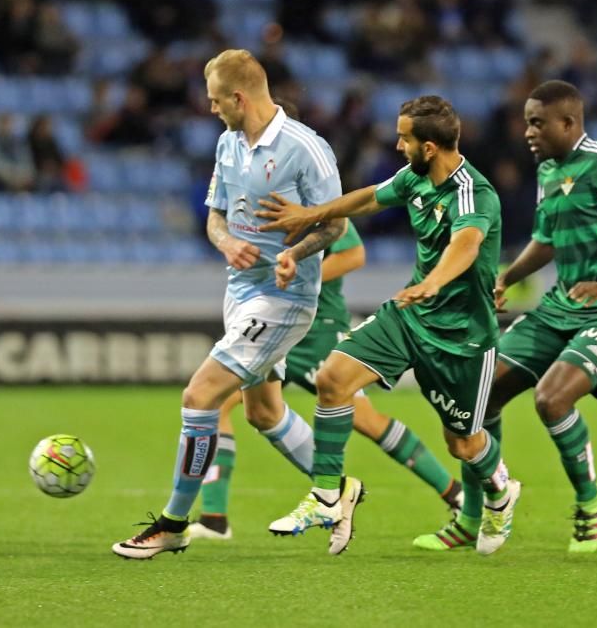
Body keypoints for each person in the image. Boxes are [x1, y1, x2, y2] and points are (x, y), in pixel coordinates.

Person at [257, 96, 521, 556]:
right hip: (410, 315)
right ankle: (325, 495)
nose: (398, 145)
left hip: (462, 338)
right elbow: (369, 197)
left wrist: (435, 281)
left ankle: (501, 488)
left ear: (431, 148)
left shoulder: (472, 193)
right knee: (333, 378)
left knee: (463, 445)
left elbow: (467, 244)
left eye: (405, 138)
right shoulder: (415, 179)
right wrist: (311, 214)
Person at [111, 49, 347, 559]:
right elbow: (214, 217)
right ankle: (338, 488)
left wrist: (296, 251)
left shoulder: (306, 149)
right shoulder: (227, 144)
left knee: (199, 397)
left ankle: (174, 524)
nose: (211, 108)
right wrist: (224, 243)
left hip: (284, 297)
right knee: (263, 413)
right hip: (238, 291)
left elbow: (336, 224)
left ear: (239, 97)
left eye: (217, 100)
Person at [191, 104, 462, 543]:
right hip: (271, 317)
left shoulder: (309, 192)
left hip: (316, 324)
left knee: (363, 418)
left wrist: (299, 268)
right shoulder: (255, 188)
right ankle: (216, 517)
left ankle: (451, 491)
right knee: (223, 403)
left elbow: (353, 252)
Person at [475, 80, 597, 553]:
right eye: (527, 122)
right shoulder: (548, 170)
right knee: (479, 394)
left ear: (569, 122)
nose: (528, 132)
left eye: (538, 122)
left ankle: (589, 499)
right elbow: (546, 240)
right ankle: (492, 502)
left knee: (551, 400)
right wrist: (507, 276)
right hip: (558, 308)